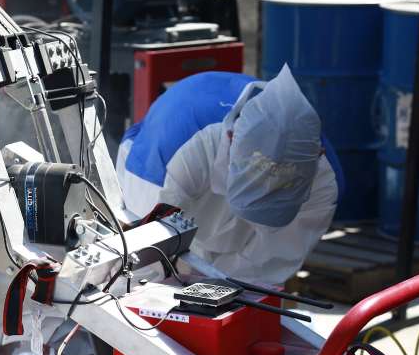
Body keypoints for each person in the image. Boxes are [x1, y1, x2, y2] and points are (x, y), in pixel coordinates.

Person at [116, 67, 341, 285]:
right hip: (158, 164)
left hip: (217, 204)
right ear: (232, 137)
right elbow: (152, 242)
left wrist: (229, 296)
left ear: (318, 156)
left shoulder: (324, 180)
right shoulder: (174, 146)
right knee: (142, 277)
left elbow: (271, 261)